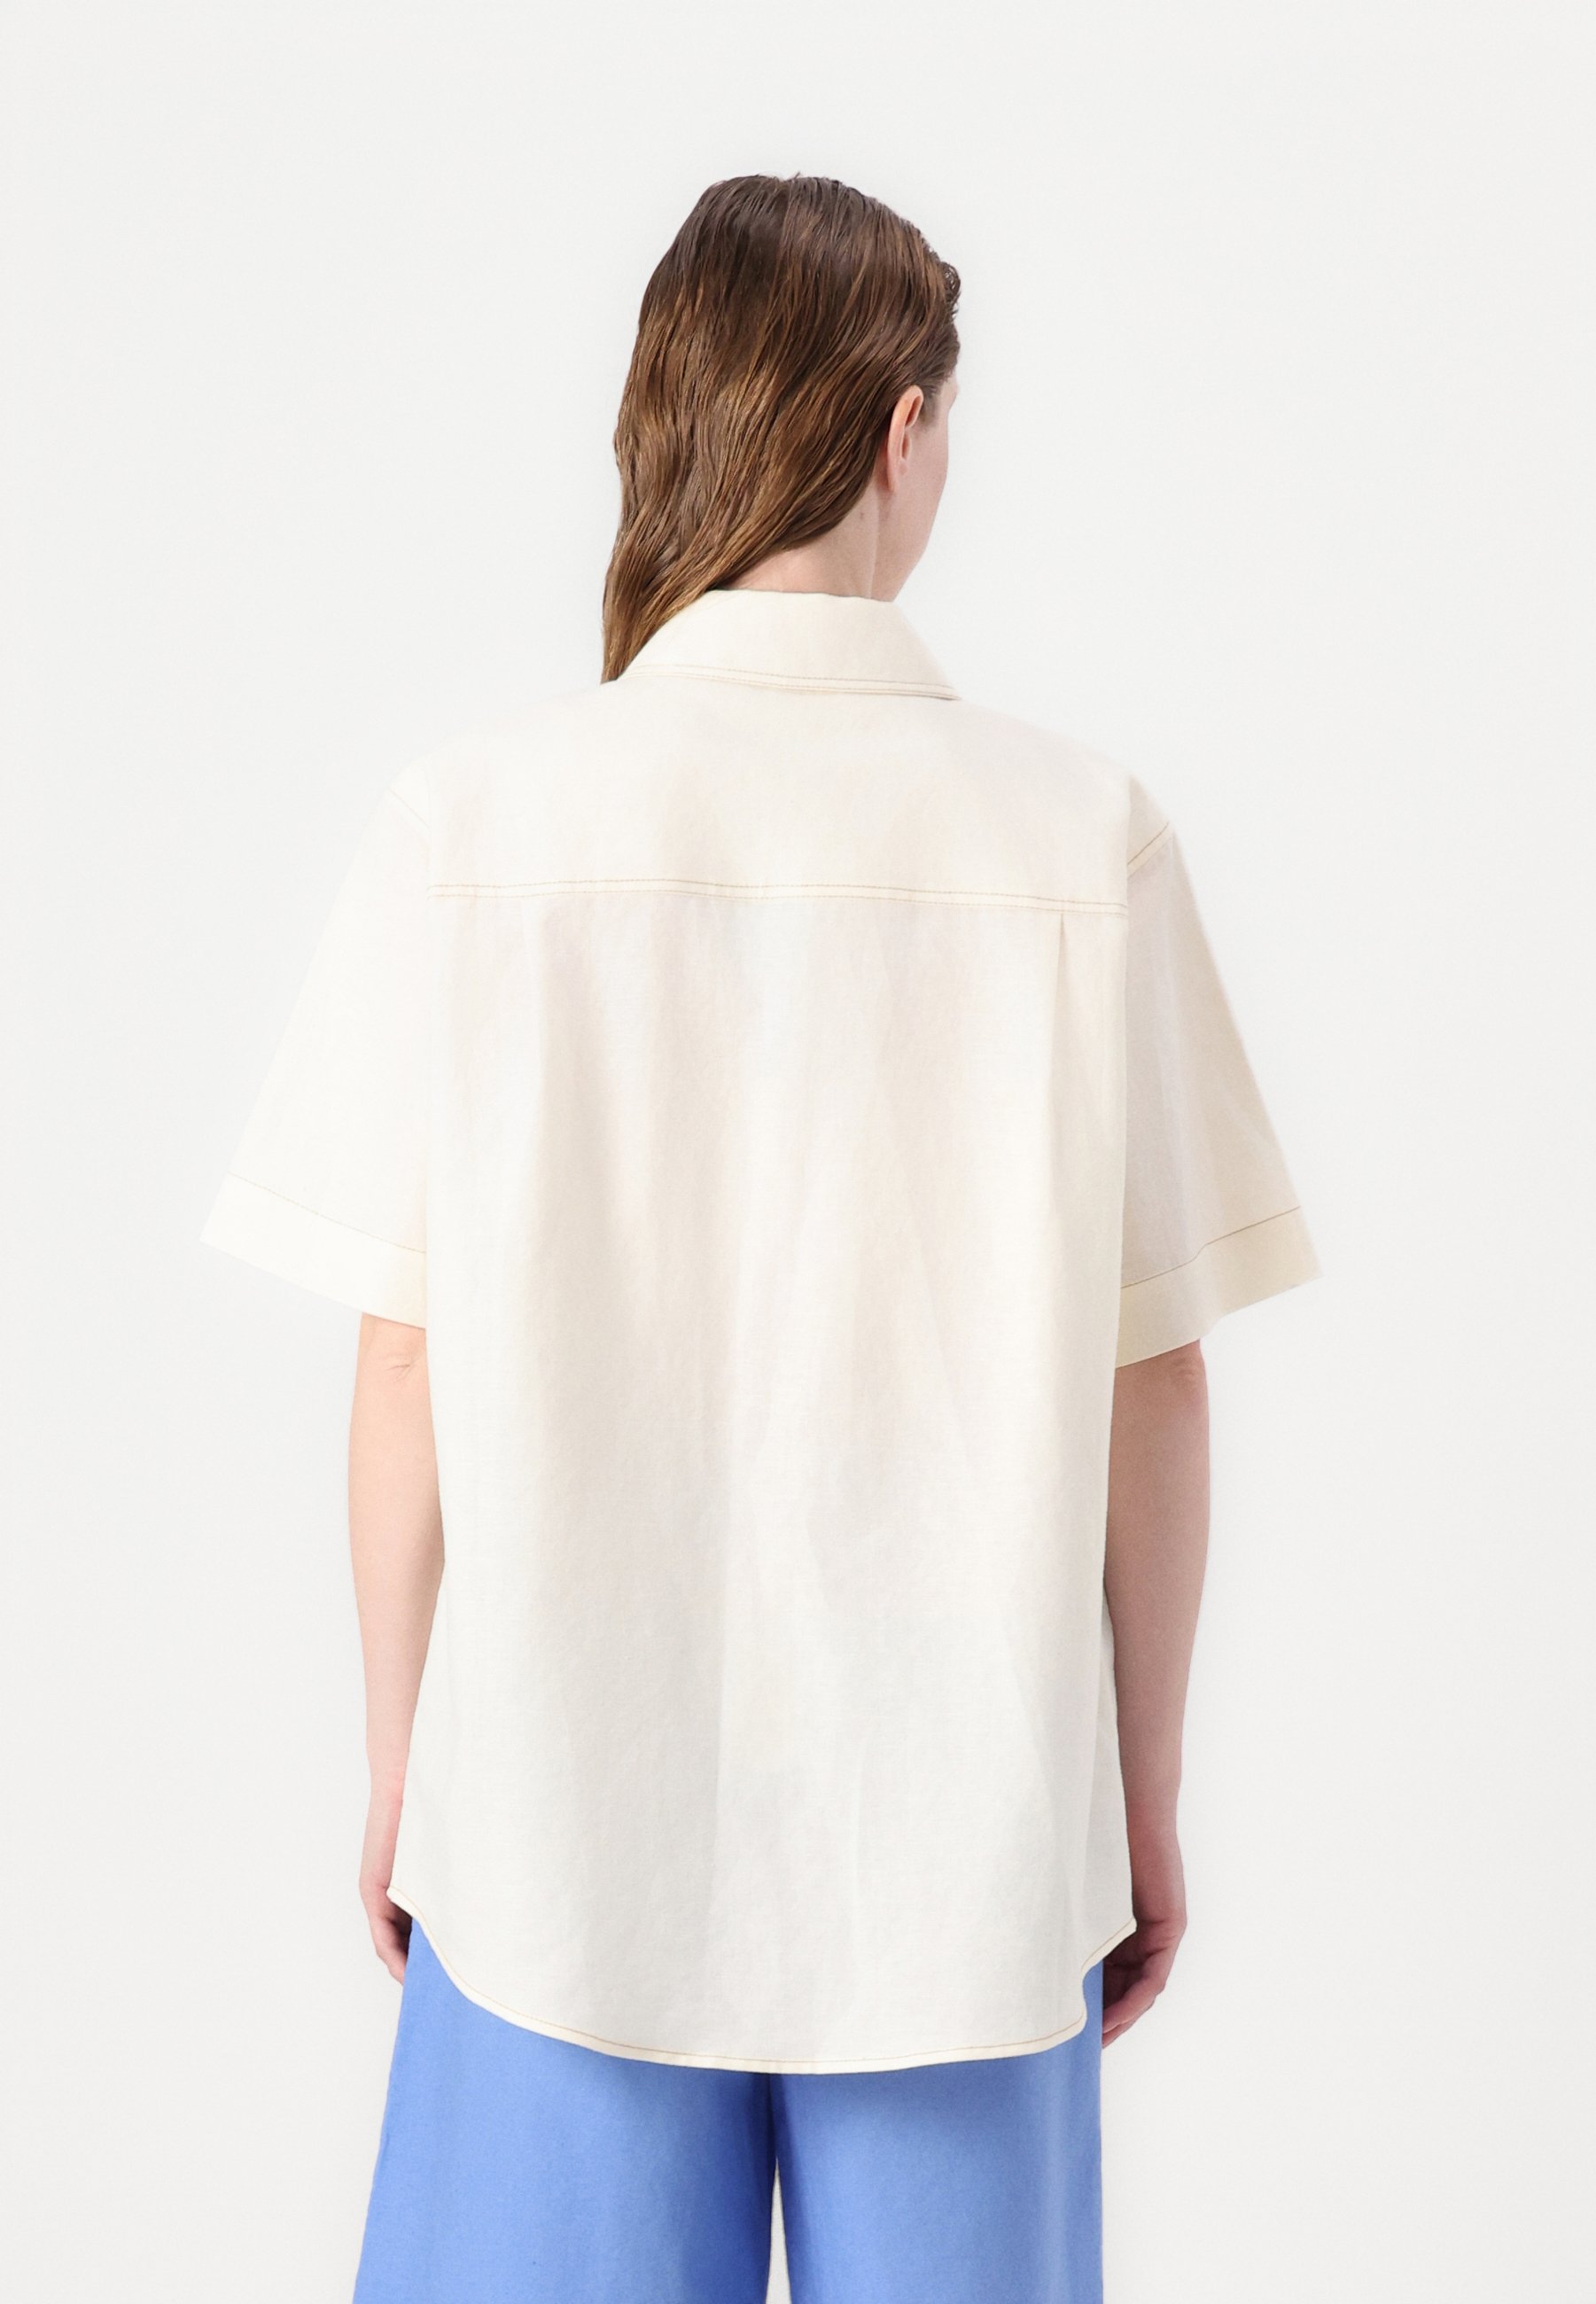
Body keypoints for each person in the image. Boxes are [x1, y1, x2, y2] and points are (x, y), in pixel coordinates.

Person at [202, 173, 1319, 2304]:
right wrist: (1140, 1795)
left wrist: (404, 1766)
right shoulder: (1077, 835)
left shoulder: (477, 822)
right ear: (903, 429)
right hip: (964, 1856)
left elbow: (406, 1355)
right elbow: (1154, 1376)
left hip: (557, 1826)